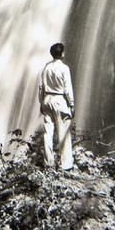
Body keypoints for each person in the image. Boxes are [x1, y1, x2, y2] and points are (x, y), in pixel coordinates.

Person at [39, 42, 74, 171]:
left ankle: (48, 163)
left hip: (47, 99)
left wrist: (41, 102)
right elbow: (67, 88)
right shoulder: (65, 68)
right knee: (63, 132)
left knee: (48, 133)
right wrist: (71, 104)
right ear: (62, 54)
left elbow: (41, 86)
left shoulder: (46, 68)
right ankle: (65, 164)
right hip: (60, 100)